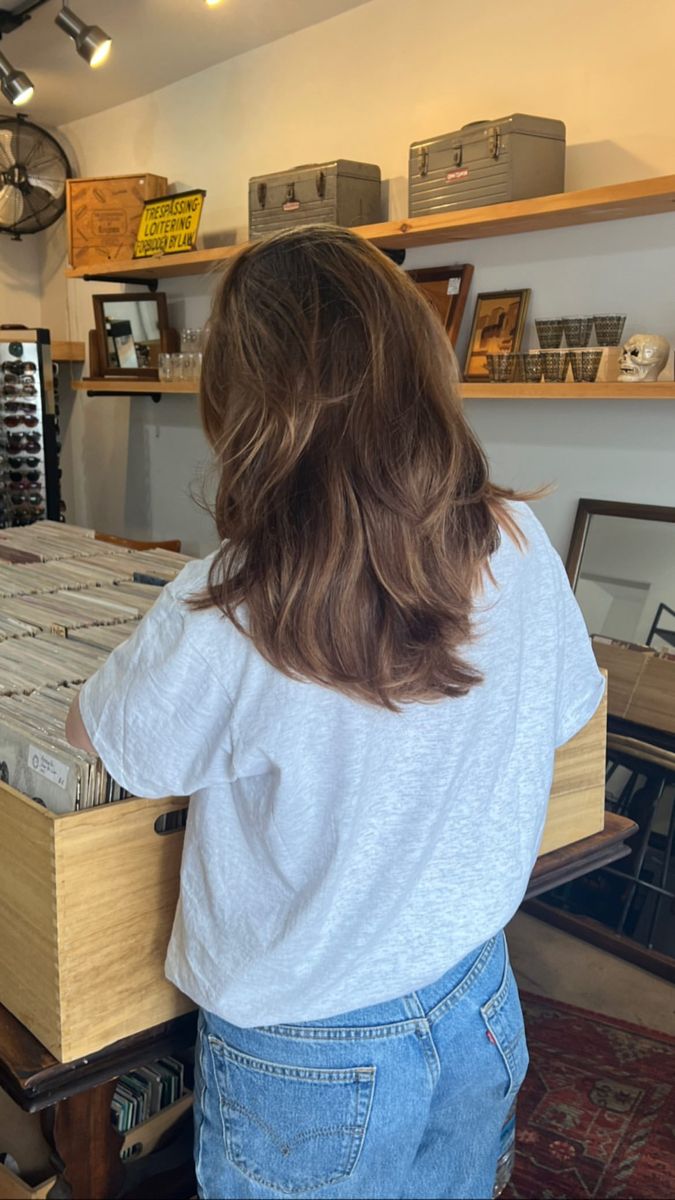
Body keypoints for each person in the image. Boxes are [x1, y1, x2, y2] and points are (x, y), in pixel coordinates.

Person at [66, 225, 604, 1200]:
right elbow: (563, 709)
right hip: (480, 992)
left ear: (245, 407)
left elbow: (106, 744)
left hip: (306, 1052)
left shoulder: (232, 603)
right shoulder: (519, 539)